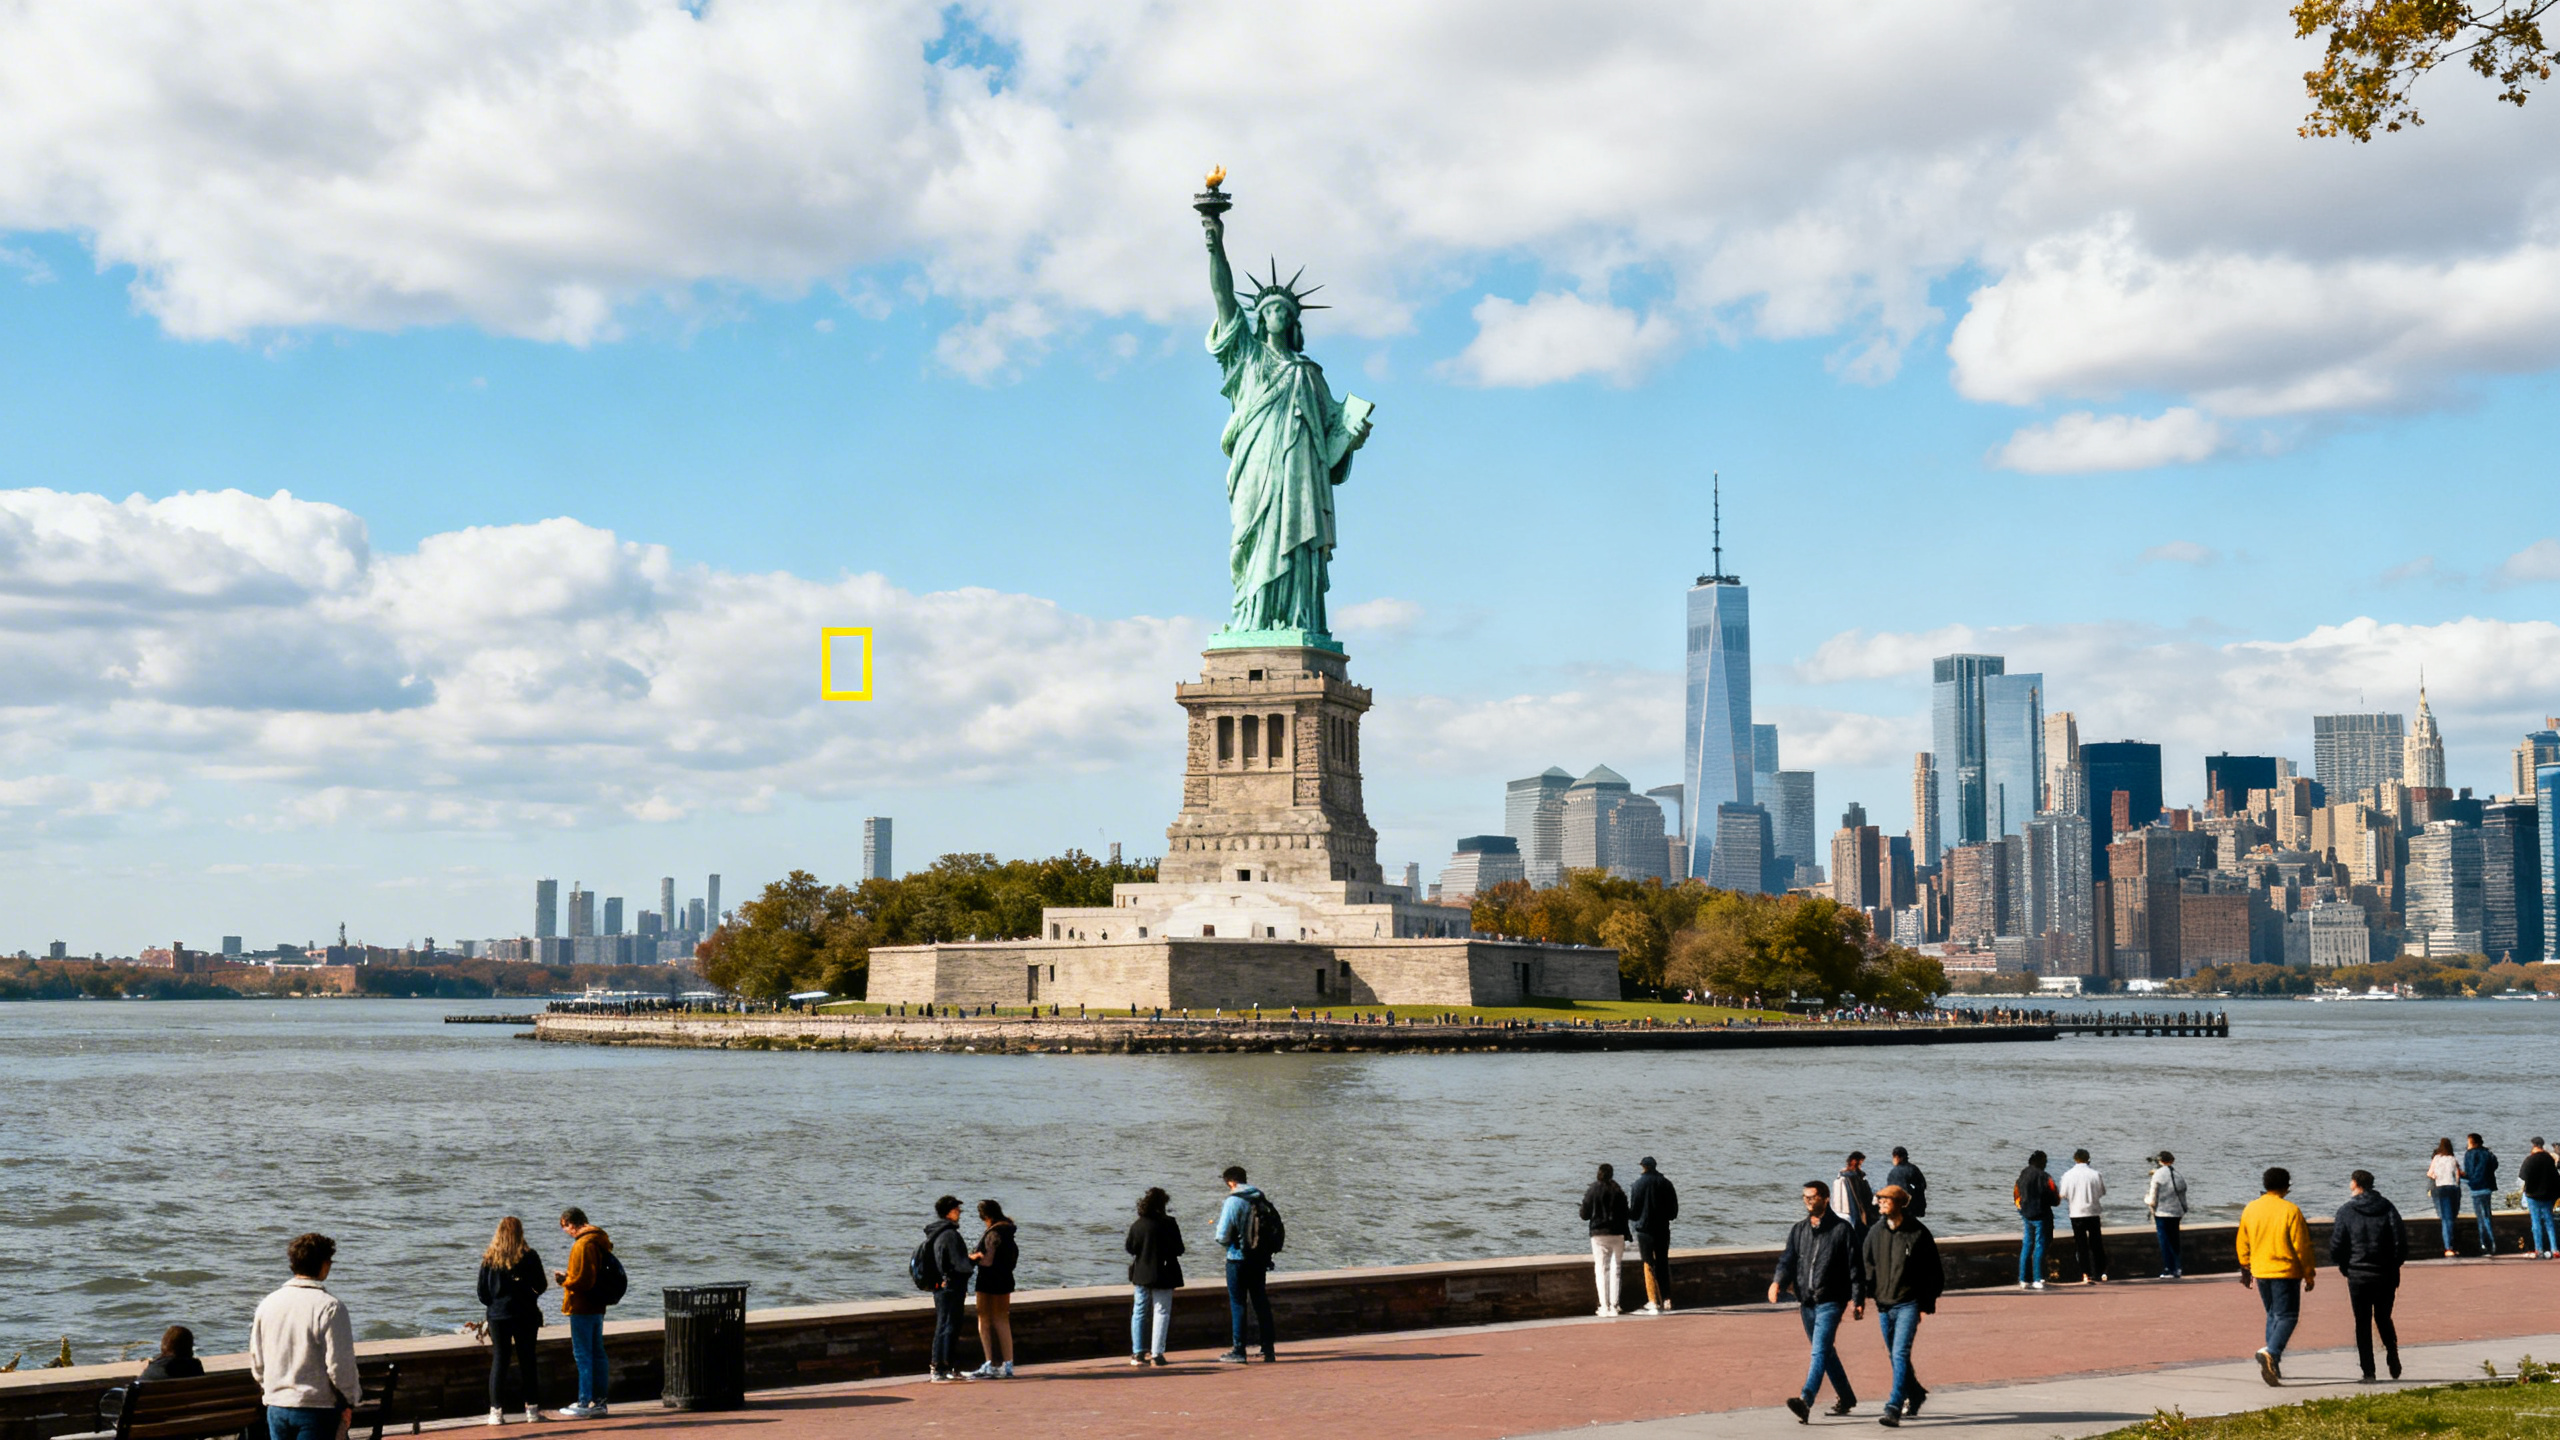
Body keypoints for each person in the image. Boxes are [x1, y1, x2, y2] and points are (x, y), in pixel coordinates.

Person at [248, 1233, 362, 1440]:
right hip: (316, 1407)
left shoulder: (268, 1304)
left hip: (277, 1404)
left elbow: (257, 1360)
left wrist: (272, 1388)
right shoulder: (330, 1307)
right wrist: (348, 1401)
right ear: (325, 1265)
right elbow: (339, 1364)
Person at [1768, 1180, 1864, 1423]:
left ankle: (1805, 1399)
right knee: (1826, 1353)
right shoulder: (1799, 1230)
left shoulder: (1842, 1230)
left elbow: (1856, 1268)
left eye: (1812, 1198)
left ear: (1825, 1198)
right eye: (1805, 1198)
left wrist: (1858, 1299)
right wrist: (1777, 1281)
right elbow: (1787, 1260)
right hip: (1806, 1302)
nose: (1808, 1202)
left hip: (1832, 1300)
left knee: (1819, 1351)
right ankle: (1846, 1396)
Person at [1863, 1183, 1943, 1428]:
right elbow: (1866, 1266)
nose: (1881, 1203)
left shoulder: (1918, 1233)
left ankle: (1894, 1406)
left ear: (1899, 1204)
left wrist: (1925, 1305)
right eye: (1880, 1200)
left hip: (1908, 1303)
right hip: (1883, 1305)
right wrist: (1864, 1297)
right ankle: (1916, 1392)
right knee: (1895, 1355)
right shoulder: (1875, 1232)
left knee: (1899, 1353)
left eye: (1886, 1200)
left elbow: (1934, 1273)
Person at [2236, 1167, 2315, 1386]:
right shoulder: (2290, 1210)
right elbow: (2302, 1246)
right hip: (2285, 1271)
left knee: (2273, 1314)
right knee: (2288, 1316)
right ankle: (2272, 1353)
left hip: (2261, 1270)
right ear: (2286, 1186)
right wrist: (2309, 1274)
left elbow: (2242, 1241)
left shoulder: (2251, 1209)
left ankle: (2273, 1365)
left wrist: (2245, 1265)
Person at [2329, 1169, 2406, 1382]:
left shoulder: (2346, 1211)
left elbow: (2337, 1245)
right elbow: (2400, 1240)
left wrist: (2346, 1267)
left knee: (2362, 1322)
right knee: (2383, 1317)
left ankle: (2368, 1371)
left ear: (2354, 1183)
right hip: (2385, 1273)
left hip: (2358, 1275)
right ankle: (2392, 1352)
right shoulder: (2387, 1207)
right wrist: (2393, 1265)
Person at [476, 1216, 547, 1424]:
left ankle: (496, 1411)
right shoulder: (530, 1256)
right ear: (520, 1232)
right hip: (525, 1314)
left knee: (500, 1360)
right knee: (528, 1360)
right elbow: (541, 1285)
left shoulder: (489, 1259)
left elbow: (482, 1293)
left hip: (499, 1316)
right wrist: (529, 1295)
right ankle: (532, 1410)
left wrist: (495, 1303)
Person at [552, 1208, 615, 1416]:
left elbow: (583, 1281)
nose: (566, 1232)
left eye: (565, 1227)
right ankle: (600, 1401)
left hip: (582, 1306)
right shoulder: (599, 1240)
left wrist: (564, 1280)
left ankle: (584, 1401)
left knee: (583, 1355)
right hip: (597, 1306)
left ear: (571, 1224)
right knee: (598, 1353)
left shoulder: (582, 1244)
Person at [1212, 1166, 1276, 1363]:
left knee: (1238, 1303)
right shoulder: (1260, 1197)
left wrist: (1230, 1246)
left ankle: (1239, 1350)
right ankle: (1268, 1348)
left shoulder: (1233, 1201)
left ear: (1231, 1182)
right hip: (1259, 1258)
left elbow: (1221, 1235)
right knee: (1260, 1302)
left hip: (1237, 1259)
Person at [1125, 1188, 1185, 1366]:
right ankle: (1157, 1354)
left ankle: (1138, 1353)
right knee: (1162, 1312)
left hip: (1142, 1273)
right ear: (1163, 1204)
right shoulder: (1169, 1223)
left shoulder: (1138, 1225)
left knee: (1139, 1312)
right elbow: (1179, 1249)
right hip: (1165, 1272)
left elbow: (1130, 1248)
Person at [964, 1200, 1019, 1380]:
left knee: (984, 1318)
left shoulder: (993, 1233)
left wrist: (971, 1258)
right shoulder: (1009, 1230)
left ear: (986, 1216)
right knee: (1003, 1319)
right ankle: (1008, 1364)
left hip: (988, 1280)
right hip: (1005, 1279)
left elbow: (987, 1260)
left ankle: (989, 1363)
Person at [921, 1196, 971, 1381]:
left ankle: (941, 1367)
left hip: (941, 1286)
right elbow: (960, 1265)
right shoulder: (949, 1234)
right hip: (951, 1287)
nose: (960, 1213)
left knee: (944, 1325)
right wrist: (973, 1260)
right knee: (949, 1326)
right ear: (949, 1212)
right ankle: (942, 1368)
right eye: (957, 1209)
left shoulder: (936, 1233)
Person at [1628, 1156, 1680, 1314]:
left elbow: (1634, 1212)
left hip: (1644, 1231)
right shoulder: (1666, 1184)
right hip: (1662, 1229)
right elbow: (1673, 1212)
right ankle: (1666, 1298)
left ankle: (1652, 1300)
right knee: (1663, 1262)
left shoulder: (1637, 1185)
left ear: (1643, 1167)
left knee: (1648, 1263)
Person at [1580, 1162, 1632, 1317]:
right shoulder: (1618, 1191)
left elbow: (1584, 1214)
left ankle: (1604, 1306)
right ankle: (1615, 1305)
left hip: (1598, 1233)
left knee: (1601, 1269)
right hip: (1617, 1234)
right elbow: (1625, 1213)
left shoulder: (1592, 1190)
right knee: (1616, 1269)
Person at [2058, 1149, 2109, 1284]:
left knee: (2081, 1245)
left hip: (2076, 1213)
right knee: (2096, 1243)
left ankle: (2086, 1273)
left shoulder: (2067, 1175)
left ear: (2075, 1159)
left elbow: (2063, 1194)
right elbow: (2102, 1192)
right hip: (2093, 1212)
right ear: (2088, 1159)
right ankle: (2100, 1272)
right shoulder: (2095, 1174)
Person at [2014, 1150, 2059, 1290]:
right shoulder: (2045, 1177)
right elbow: (2055, 1198)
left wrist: (2021, 1209)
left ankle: (2023, 1279)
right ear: (2042, 1162)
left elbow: (2016, 1194)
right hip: (2042, 1214)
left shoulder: (2022, 1175)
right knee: (2040, 1245)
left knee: (2027, 1244)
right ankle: (2038, 1278)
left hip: (2026, 1214)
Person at [2144, 1151, 2189, 1280]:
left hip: (2162, 1213)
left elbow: (2152, 1200)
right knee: (2175, 1241)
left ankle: (2168, 1268)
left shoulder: (2157, 1175)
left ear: (2160, 1161)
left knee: (2164, 1241)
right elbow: (2183, 1194)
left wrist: (2145, 1199)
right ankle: (2177, 1268)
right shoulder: (2178, 1175)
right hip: (2177, 1212)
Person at [2462, 1134, 2500, 1256]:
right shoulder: (2488, 1153)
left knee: (2481, 1218)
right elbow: (2495, 1165)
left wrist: (2462, 1176)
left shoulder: (2470, 1154)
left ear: (2473, 1143)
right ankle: (2490, 1243)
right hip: (2487, 1187)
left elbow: (2469, 1172)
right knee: (2487, 1215)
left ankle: (2486, 1245)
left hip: (2476, 1188)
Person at [2519, 1138, 2559, 1260]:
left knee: (2536, 1222)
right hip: (2547, 1195)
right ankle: (2554, 1249)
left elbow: (2523, 1176)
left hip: (2533, 1195)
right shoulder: (2549, 1160)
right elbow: (2555, 1177)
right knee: (2549, 1222)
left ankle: (2539, 1249)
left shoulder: (2530, 1160)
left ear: (2534, 1145)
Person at [2426, 1138, 2463, 1257]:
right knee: (2451, 1217)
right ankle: (2450, 1246)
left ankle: (2448, 1247)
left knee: (2445, 1219)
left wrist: (2436, 1176)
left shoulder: (2436, 1158)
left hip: (2441, 1187)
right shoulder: (2453, 1159)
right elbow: (2457, 1176)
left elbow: (2429, 1173)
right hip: (2453, 1188)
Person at [138, 1326, 204, 1383]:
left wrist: (149, 1367)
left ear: (164, 1344)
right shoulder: (196, 1368)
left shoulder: (154, 1370)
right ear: (189, 1346)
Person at [1831, 1152, 1876, 1233]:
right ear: (1854, 1161)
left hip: (1848, 1208)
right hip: (1855, 1208)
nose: (1861, 1164)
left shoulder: (1843, 1177)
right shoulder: (1852, 1177)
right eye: (1860, 1162)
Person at [1882, 1147, 1928, 1220]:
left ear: (1898, 1157)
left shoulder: (1894, 1172)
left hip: (1898, 1207)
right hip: (1914, 1207)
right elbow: (1923, 1185)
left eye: (1894, 1157)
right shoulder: (1914, 1169)